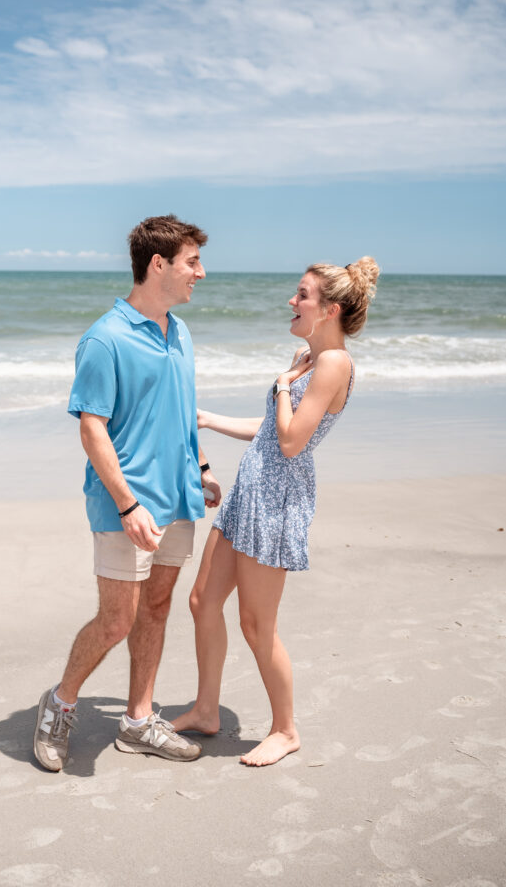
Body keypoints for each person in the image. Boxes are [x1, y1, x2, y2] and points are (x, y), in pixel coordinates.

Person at [172, 257, 380, 766]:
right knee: (202, 601)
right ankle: (206, 710)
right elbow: (270, 431)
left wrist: (285, 383)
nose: (292, 301)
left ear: (329, 309)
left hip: (278, 500)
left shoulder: (333, 364)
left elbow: (291, 443)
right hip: (251, 490)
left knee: (257, 624)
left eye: (302, 295)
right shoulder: (309, 357)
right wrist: (208, 419)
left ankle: (286, 730)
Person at [33, 214, 221, 771]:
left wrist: (203, 467)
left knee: (157, 609)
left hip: (178, 498)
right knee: (117, 619)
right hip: (127, 505)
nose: (201, 273)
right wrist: (128, 503)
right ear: (158, 264)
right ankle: (60, 702)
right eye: (192, 261)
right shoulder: (104, 338)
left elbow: (181, 409)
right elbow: (92, 428)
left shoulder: (179, 332)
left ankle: (139, 720)